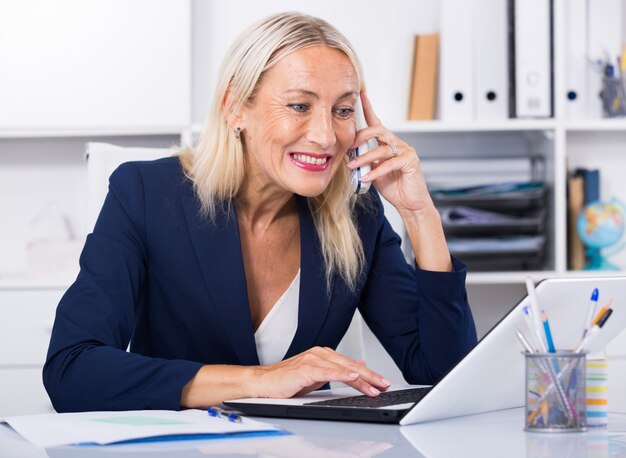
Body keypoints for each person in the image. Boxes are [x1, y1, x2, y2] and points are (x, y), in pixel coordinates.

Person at [43, 12, 477, 413]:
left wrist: (420, 215)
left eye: (343, 110)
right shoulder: (144, 193)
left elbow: (446, 377)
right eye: (299, 106)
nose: (326, 135)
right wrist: (263, 381)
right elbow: (72, 370)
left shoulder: (356, 214)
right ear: (236, 107)